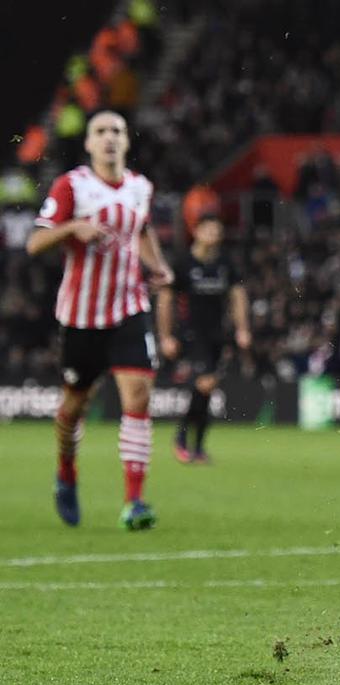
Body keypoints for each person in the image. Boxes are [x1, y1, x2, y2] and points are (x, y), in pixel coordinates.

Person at [27, 110, 174, 530]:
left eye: (117, 131)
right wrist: (74, 227)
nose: (109, 138)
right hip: (81, 318)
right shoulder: (72, 186)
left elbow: (141, 231)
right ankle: (66, 471)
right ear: (89, 143)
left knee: (139, 396)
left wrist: (158, 266)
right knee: (73, 409)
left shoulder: (140, 188)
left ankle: (134, 502)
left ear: (126, 142)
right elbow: (36, 242)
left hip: (129, 309)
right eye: (100, 131)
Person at [156, 211, 250, 464]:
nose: (215, 235)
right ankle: (182, 438)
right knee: (205, 384)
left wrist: (242, 329)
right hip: (191, 334)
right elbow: (166, 299)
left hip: (218, 335)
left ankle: (197, 448)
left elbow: (238, 295)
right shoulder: (183, 263)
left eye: (218, 231)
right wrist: (165, 336)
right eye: (209, 230)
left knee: (207, 391)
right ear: (196, 232)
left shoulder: (225, 264)